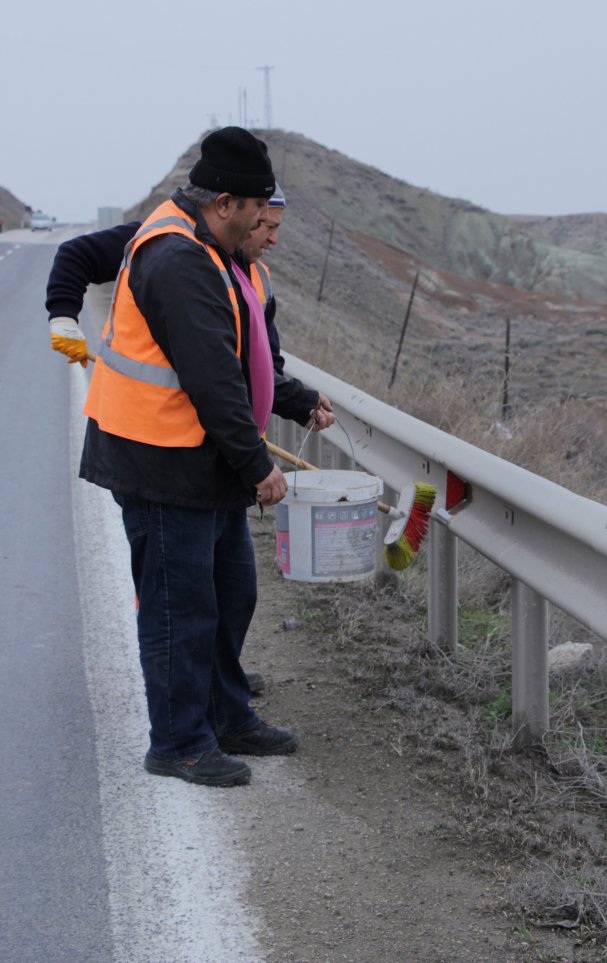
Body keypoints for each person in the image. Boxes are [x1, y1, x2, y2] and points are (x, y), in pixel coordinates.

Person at [52, 127, 334, 787]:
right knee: (181, 606)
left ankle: (226, 713)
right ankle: (179, 742)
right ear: (226, 201)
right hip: (159, 460)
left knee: (230, 591)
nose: (266, 223)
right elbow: (213, 380)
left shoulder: (211, 249)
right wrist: (258, 465)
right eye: (259, 211)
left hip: (197, 461)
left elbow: (244, 362)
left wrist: (288, 405)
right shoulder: (177, 258)